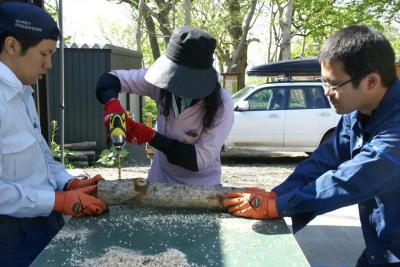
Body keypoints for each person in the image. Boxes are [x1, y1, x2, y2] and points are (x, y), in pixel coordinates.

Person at [223, 25, 400, 266]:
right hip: (378, 248)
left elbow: (351, 179)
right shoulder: (357, 114)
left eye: (333, 85)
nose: (326, 93)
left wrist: (275, 207)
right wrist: (276, 194)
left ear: (371, 81)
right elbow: (321, 163)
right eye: (323, 82)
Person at [0, 3, 107, 266]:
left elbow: (42, 157)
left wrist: (68, 184)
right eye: (44, 53)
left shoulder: (23, 91)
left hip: (46, 220)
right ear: (12, 46)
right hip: (10, 237)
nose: (49, 64)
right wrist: (59, 200)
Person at [96, 27, 234, 185]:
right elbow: (108, 80)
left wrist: (151, 137)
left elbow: (197, 160)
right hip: (159, 181)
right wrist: (112, 104)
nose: (180, 87)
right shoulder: (160, 83)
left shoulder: (223, 103)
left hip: (203, 188)